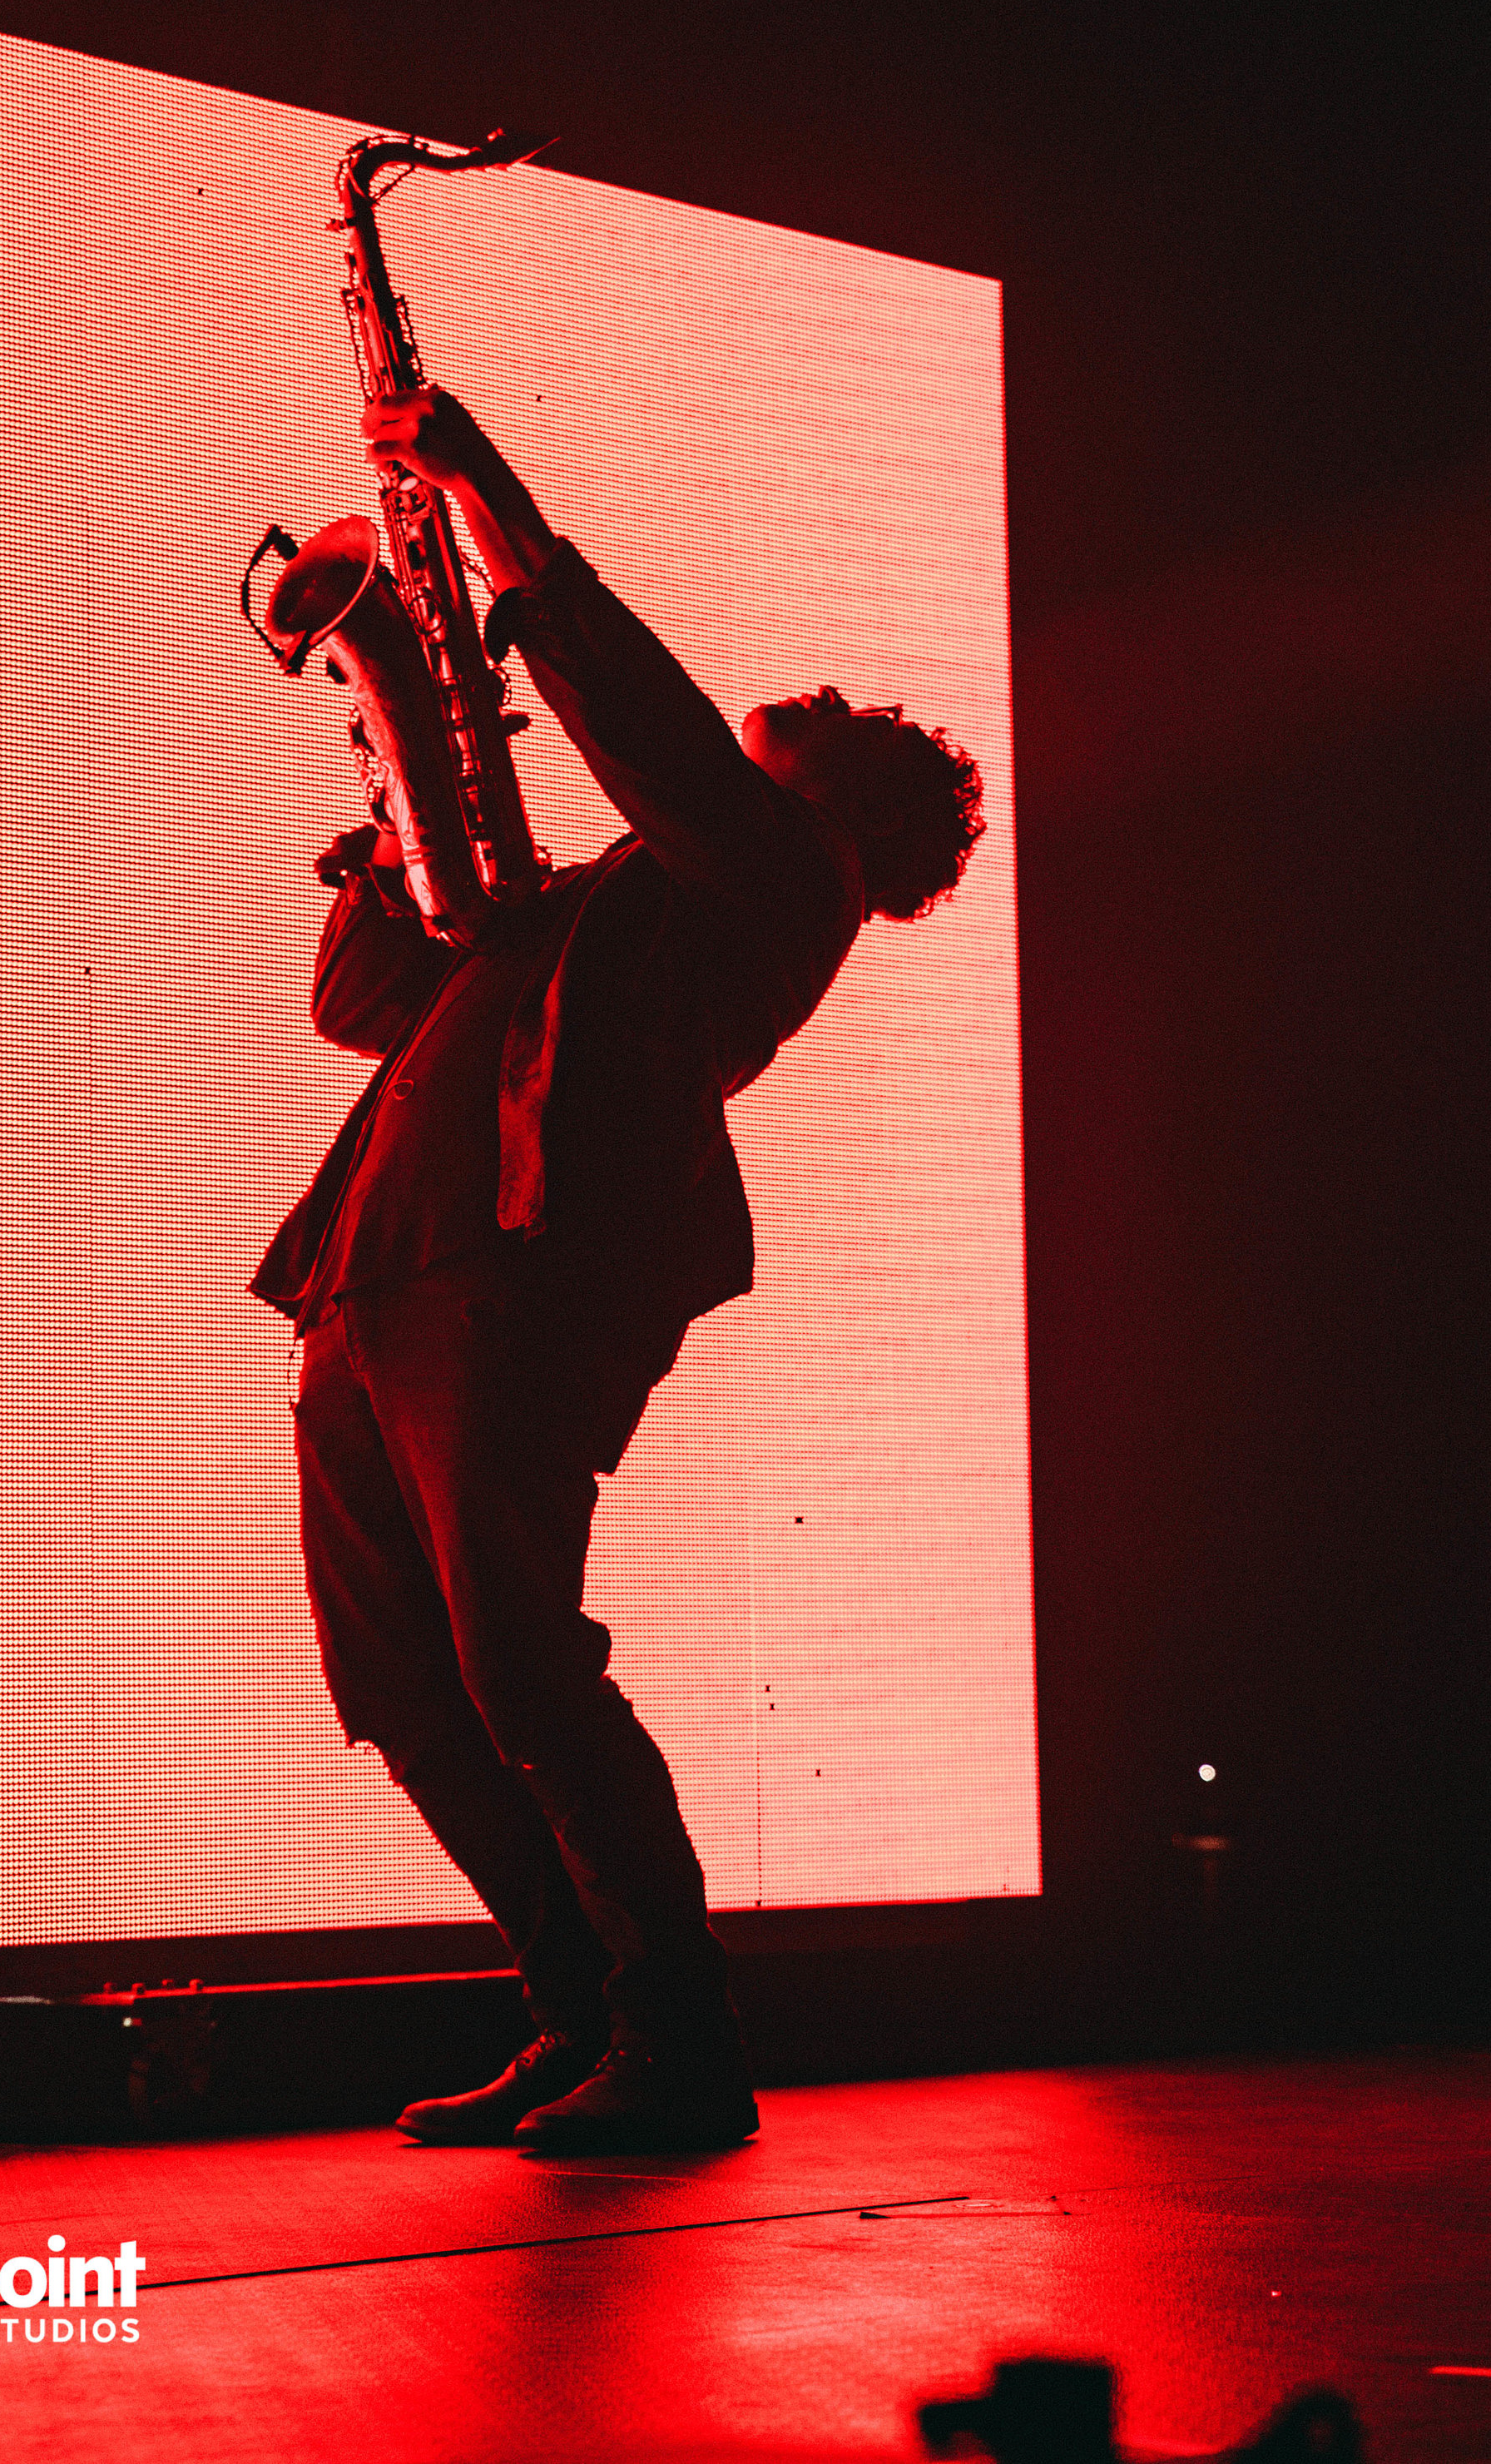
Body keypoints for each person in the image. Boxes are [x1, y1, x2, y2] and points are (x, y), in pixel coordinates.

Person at [253, 384, 985, 2154]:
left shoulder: (771, 877)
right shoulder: (618, 896)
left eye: (832, 730)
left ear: (856, 820)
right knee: (410, 1697)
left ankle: (682, 2046)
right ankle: (581, 2016)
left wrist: (481, 486)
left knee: (516, 1669)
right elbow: (360, 1008)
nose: (793, 722)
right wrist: (391, 830)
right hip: (372, 1280)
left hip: (509, 1290)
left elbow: (641, 724)